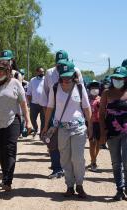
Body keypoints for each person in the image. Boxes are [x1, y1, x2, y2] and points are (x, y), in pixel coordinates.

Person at [42, 60, 92, 198]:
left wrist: (91, 125)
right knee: (65, 159)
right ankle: (69, 185)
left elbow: (87, 108)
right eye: (63, 76)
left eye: (68, 76)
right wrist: (45, 126)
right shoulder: (55, 88)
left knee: (77, 158)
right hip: (62, 129)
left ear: (74, 75)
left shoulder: (80, 88)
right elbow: (50, 107)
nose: (65, 79)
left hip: (78, 128)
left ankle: (80, 185)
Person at [0, 60, 32, 191]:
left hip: (12, 122)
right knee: (1, 152)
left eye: (2, 69)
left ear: (8, 71)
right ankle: (5, 174)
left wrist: (28, 121)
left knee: (10, 150)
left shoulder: (16, 83)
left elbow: (23, 105)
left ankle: (7, 180)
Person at [40, 50, 84, 179]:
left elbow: (81, 92)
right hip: (54, 109)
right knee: (53, 140)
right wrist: (45, 120)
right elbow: (45, 94)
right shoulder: (49, 72)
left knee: (70, 142)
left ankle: (70, 169)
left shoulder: (76, 70)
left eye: (62, 63)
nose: (59, 66)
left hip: (73, 110)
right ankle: (57, 168)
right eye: (58, 64)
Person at [99, 66, 127, 201]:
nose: (117, 80)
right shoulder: (106, 93)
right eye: (115, 78)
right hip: (111, 131)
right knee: (116, 162)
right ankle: (119, 189)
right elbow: (102, 113)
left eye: (120, 78)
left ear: (125, 79)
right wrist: (103, 132)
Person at [86, 80, 101, 172]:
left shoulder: (102, 99)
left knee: (98, 143)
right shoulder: (86, 100)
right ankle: (93, 162)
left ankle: (94, 158)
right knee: (92, 142)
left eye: (96, 88)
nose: (94, 90)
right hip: (90, 124)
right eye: (92, 88)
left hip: (99, 124)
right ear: (89, 89)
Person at [26, 67, 45, 137]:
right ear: (37, 72)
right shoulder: (32, 80)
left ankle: (42, 134)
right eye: (40, 72)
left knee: (43, 120)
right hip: (34, 103)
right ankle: (36, 128)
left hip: (44, 104)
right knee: (32, 118)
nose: (42, 73)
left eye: (43, 72)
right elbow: (29, 93)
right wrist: (30, 103)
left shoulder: (46, 80)